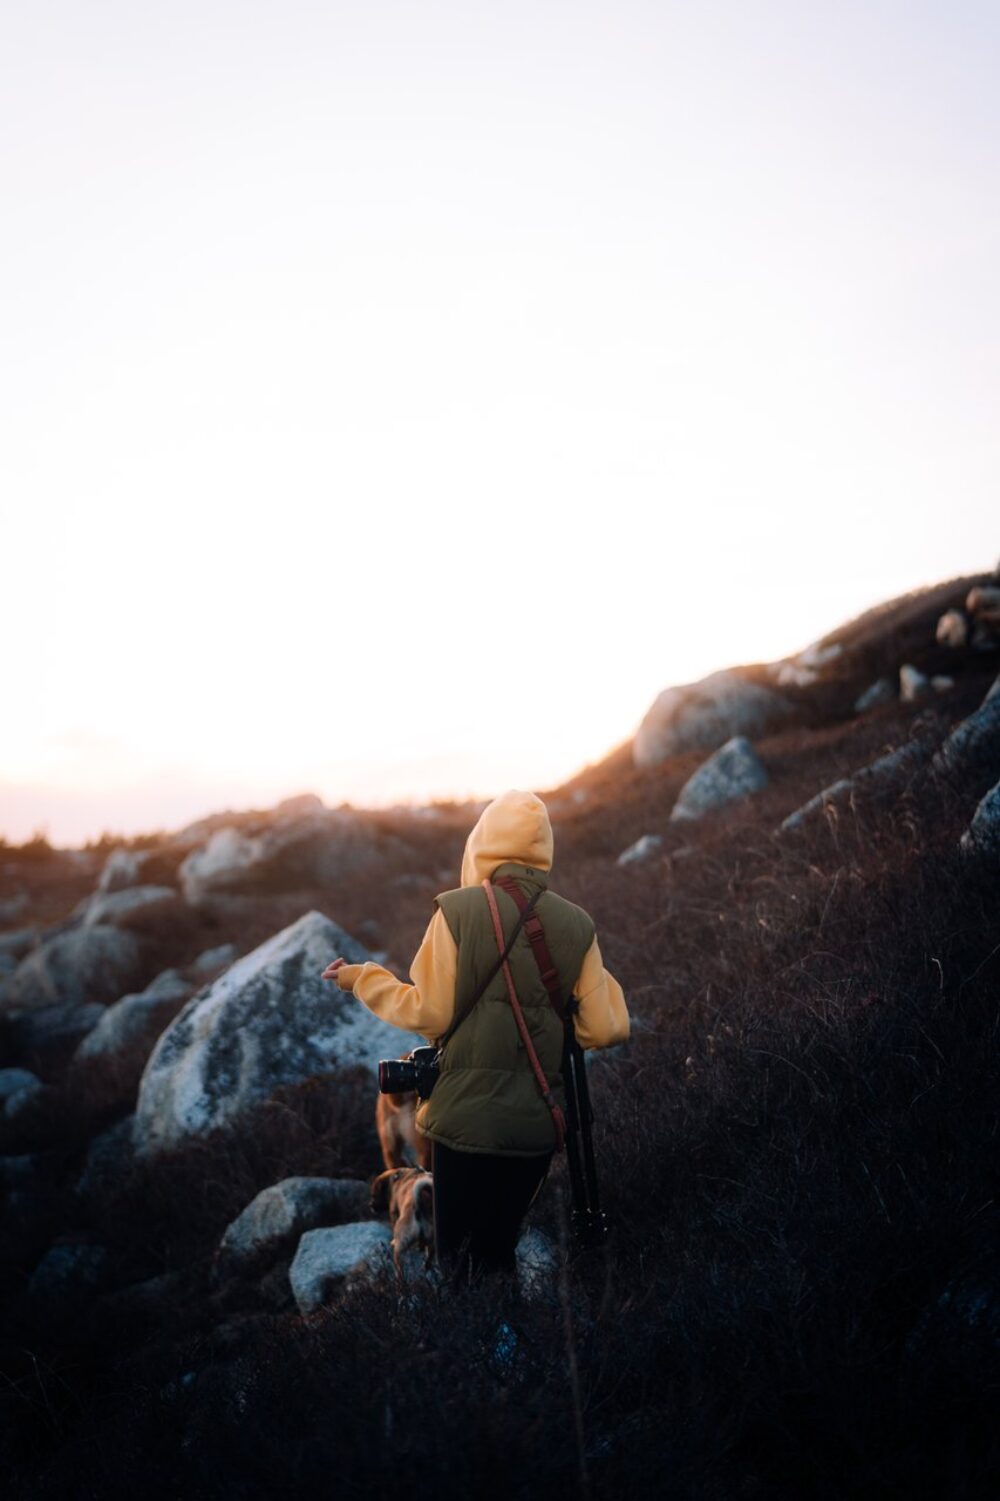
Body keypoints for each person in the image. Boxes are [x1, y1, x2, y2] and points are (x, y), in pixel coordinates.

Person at [321, 788, 629, 1285]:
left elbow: (430, 1012)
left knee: (458, 1268)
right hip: (533, 1130)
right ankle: (510, 1353)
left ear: (481, 844)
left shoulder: (456, 913)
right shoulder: (577, 924)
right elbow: (609, 1026)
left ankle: (476, 1355)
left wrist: (363, 978)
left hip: (462, 1126)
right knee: (498, 1255)